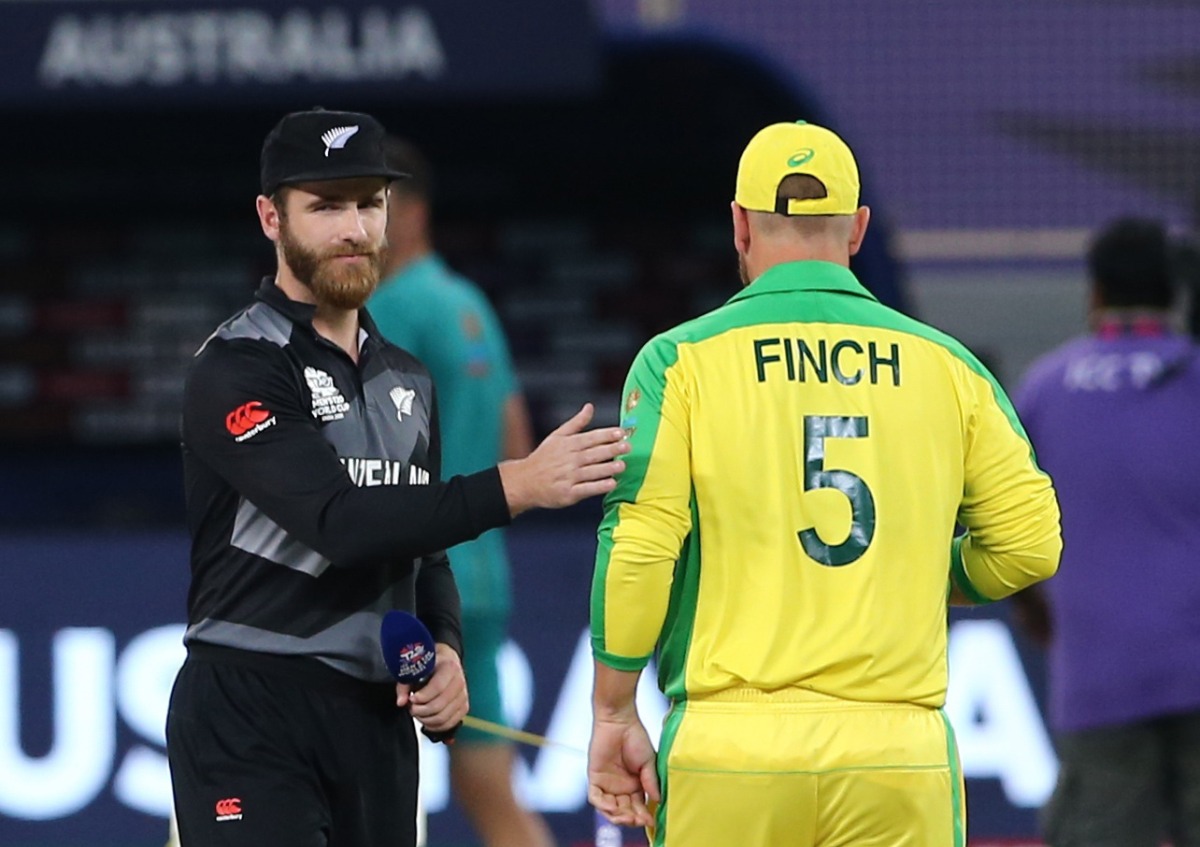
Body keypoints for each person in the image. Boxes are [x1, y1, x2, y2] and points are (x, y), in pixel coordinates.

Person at [585, 120, 1062, 846]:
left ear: (739, 225)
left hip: (731, 748)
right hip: (897, 754)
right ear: (859, 228)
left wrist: (614, 711)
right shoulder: (950, 366)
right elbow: (1031, 546)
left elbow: (640, 544)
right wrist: (925, 571)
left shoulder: (678, 361)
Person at [165, 107, 629, 847]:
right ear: (270, 217)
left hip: (374, 721)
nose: (352, 228)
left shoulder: (407, 375)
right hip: (252, 706)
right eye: (325, 206)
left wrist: (444, 645)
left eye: (367, 204)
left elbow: (421, 550)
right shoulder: (238, 364)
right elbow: (339, 523)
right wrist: (519, 483)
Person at [366, 138, 556, 847]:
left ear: (408, 213)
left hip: (407, 588)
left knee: (366, 794)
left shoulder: (389, 310)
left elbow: (369, 453)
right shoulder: (468, 302)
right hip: (481, 578)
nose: (356, 228)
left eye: (368, 206)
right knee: (495, 802)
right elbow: (515, 438)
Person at [1011, 218, 1200, 847]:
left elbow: (999, 524)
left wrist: (1037, 614)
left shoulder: (1043, 388)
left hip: (1099, 677)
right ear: (1174, 292)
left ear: (1093, 293)